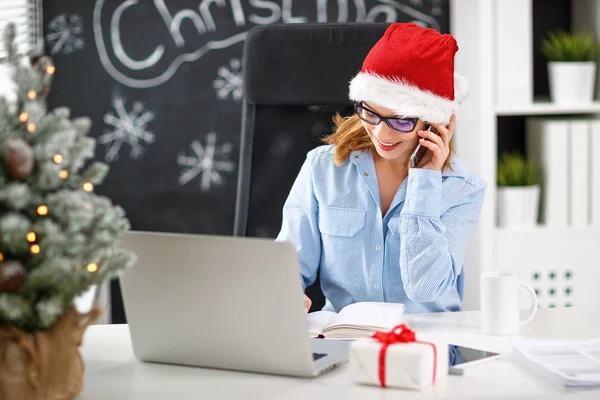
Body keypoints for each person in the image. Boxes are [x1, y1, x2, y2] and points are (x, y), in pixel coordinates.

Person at [276, 23, 486, 315]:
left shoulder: (463, 189)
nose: (382, 135)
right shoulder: (322, 169)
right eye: (371, 113)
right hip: (344, 338)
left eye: (401, 120)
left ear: (435, 122)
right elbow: (287, 267)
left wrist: (424, 183)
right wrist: (283, 295)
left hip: (425, 343)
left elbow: (424, 289)